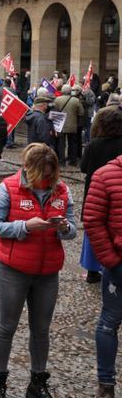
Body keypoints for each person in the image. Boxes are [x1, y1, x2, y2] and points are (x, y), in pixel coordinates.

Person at [0, 143, 76, 398]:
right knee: (7, 326)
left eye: (50, 174)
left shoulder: (62, 189)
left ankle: (37, 383)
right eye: (41, 174)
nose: (45, 180)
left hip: (48, 271)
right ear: (28, 169)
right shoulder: (8, 188)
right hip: (13, 269)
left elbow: (73, 229)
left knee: (41, 330)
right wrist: (24, 226)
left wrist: (65, 227)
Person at [83, 151, 122, 398]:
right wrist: (110, 260)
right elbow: (93, 220)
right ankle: (105, 385)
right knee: (109, 323)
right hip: (119, 266)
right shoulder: (106, 175)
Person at [79, 107, 122, 284]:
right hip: (117, 191)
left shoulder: (94, 144)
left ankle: (92, 270)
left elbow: (83, 167)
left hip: (95, 191)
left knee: (94, 229)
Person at [53, 84, 84, 166]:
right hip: (72, 125)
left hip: (60, 125)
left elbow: (54, 112)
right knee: (73, 143)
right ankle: (73, 161)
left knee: (61, 144)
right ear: (70, 91)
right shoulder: (76, 100)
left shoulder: (57, 100)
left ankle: (61, 161)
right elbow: (81, 112)